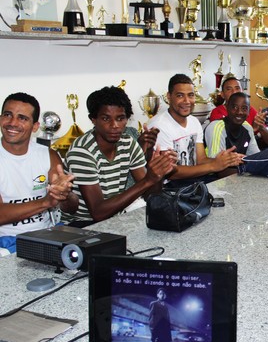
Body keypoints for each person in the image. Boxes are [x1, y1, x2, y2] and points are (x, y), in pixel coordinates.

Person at [64, 86, 177, 226]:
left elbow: (150, 195)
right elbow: (98, 213)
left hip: (115, 217)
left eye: (120, 118)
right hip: (82, 225)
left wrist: (158, 174)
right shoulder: (82, 151)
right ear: (93, 119)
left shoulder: (127, 143)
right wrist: (148, 180)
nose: (114, 125)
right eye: (106, 118)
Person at [0, 92, 78, 245]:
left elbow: (71, 208)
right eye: (7, 115)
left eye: (22, 118)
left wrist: (64, 195)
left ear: (35, 126)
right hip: (6, 241)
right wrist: (46, 202)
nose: (13, 123)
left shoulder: (48, 155)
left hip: (49, 235)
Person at [147, 74, 244, 186]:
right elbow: (171, 172)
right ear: (169, 97)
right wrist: (213, 166)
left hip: (194, 182)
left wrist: (226, 161)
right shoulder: (159, 126)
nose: (187, 101)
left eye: (191, 95)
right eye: (180, 95)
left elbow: (201, 159)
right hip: (170, 187)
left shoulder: (194, 122)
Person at [204, 92, 268, 177]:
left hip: (238, 176)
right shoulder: (216, 127)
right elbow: (217, 168)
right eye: (235, 107)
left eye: (244, 108)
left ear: (249, 111)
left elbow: (255, 158)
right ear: (227, 108)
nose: (239, 112)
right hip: (211, 179)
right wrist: (248, 170)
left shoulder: (247, 128)